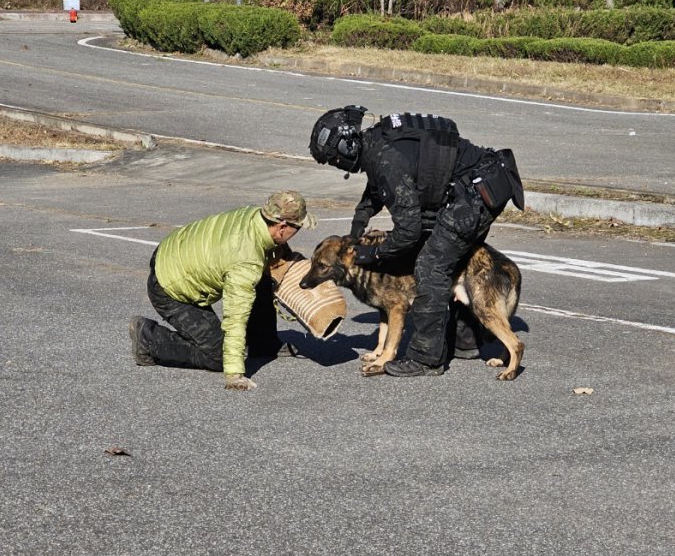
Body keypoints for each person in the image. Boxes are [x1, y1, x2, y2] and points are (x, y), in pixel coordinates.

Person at [309, 106, 522, 378]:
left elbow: (408, 231)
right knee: (453, 260)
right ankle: (466, 343)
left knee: (431, 265)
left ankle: (425, 359)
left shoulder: (386, 160)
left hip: (477, 193)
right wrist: (354, 233)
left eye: (335, 159)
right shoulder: (376, 144)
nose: (337, 164)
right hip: (478, 184)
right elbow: (373, 192)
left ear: (347, 147)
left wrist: (373, 255)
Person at [129, 191, 315, 391]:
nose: (299, 231)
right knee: (218, 355)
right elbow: (236, 315)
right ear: (281, 227)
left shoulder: (255, 216)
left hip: (175, 251)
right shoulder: (245, 258)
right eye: (297, 227)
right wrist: (235, 374)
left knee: (263, 274)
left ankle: (263, 343)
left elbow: (274, 255)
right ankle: (148, 338)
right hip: (169, 287)